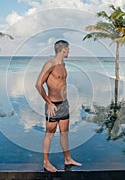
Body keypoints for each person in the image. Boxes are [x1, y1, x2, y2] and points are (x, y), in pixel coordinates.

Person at [35, 40, 82, 172]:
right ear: (64, 50)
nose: (69, 52)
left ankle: (67, 158)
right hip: (53, 105)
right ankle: (46, 162)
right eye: (68, 49)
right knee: (49, 134)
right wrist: (48, 103)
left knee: (64, 133)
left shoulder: (62, 63)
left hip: (64, 104)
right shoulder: (50, 64)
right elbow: (38, 84)